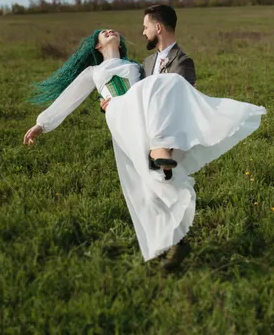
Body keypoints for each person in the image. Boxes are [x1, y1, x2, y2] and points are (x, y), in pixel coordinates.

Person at [23, 28, 266, 271]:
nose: (110, 31)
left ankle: (175, 241)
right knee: (142, 183)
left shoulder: (135, 67)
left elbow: (152, 89)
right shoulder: (94, 72)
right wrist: (41, 124)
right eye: (103, 33)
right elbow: (69, 98)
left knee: (154, 177)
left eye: (112, 30)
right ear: (97, 47)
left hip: (143, 118)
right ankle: (172, 239)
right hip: (121, 120)